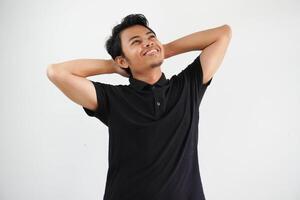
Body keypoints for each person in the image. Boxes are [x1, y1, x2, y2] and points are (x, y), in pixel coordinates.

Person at [47, 13, 232, 200]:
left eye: (151, 37)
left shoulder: (186, 87)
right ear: (122, 60)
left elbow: (223, 34)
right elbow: (57, 72)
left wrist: (164, 50)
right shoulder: (113, 99)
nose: (148, 42)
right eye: (136, 42)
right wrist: (112, 66)